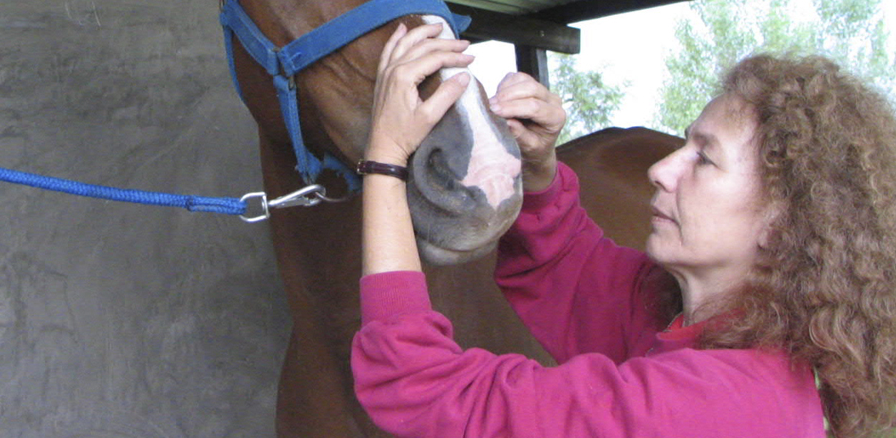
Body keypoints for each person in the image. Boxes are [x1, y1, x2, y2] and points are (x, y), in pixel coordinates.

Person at [351, 22, 896, 438]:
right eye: (683, 144)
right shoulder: (713, 334)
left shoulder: (707, 406)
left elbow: (415, 386)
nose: (661, 169)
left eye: (704, 160)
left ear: (782, 225)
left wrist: (385, 160)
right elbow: (572, 270)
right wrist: (540, 168)